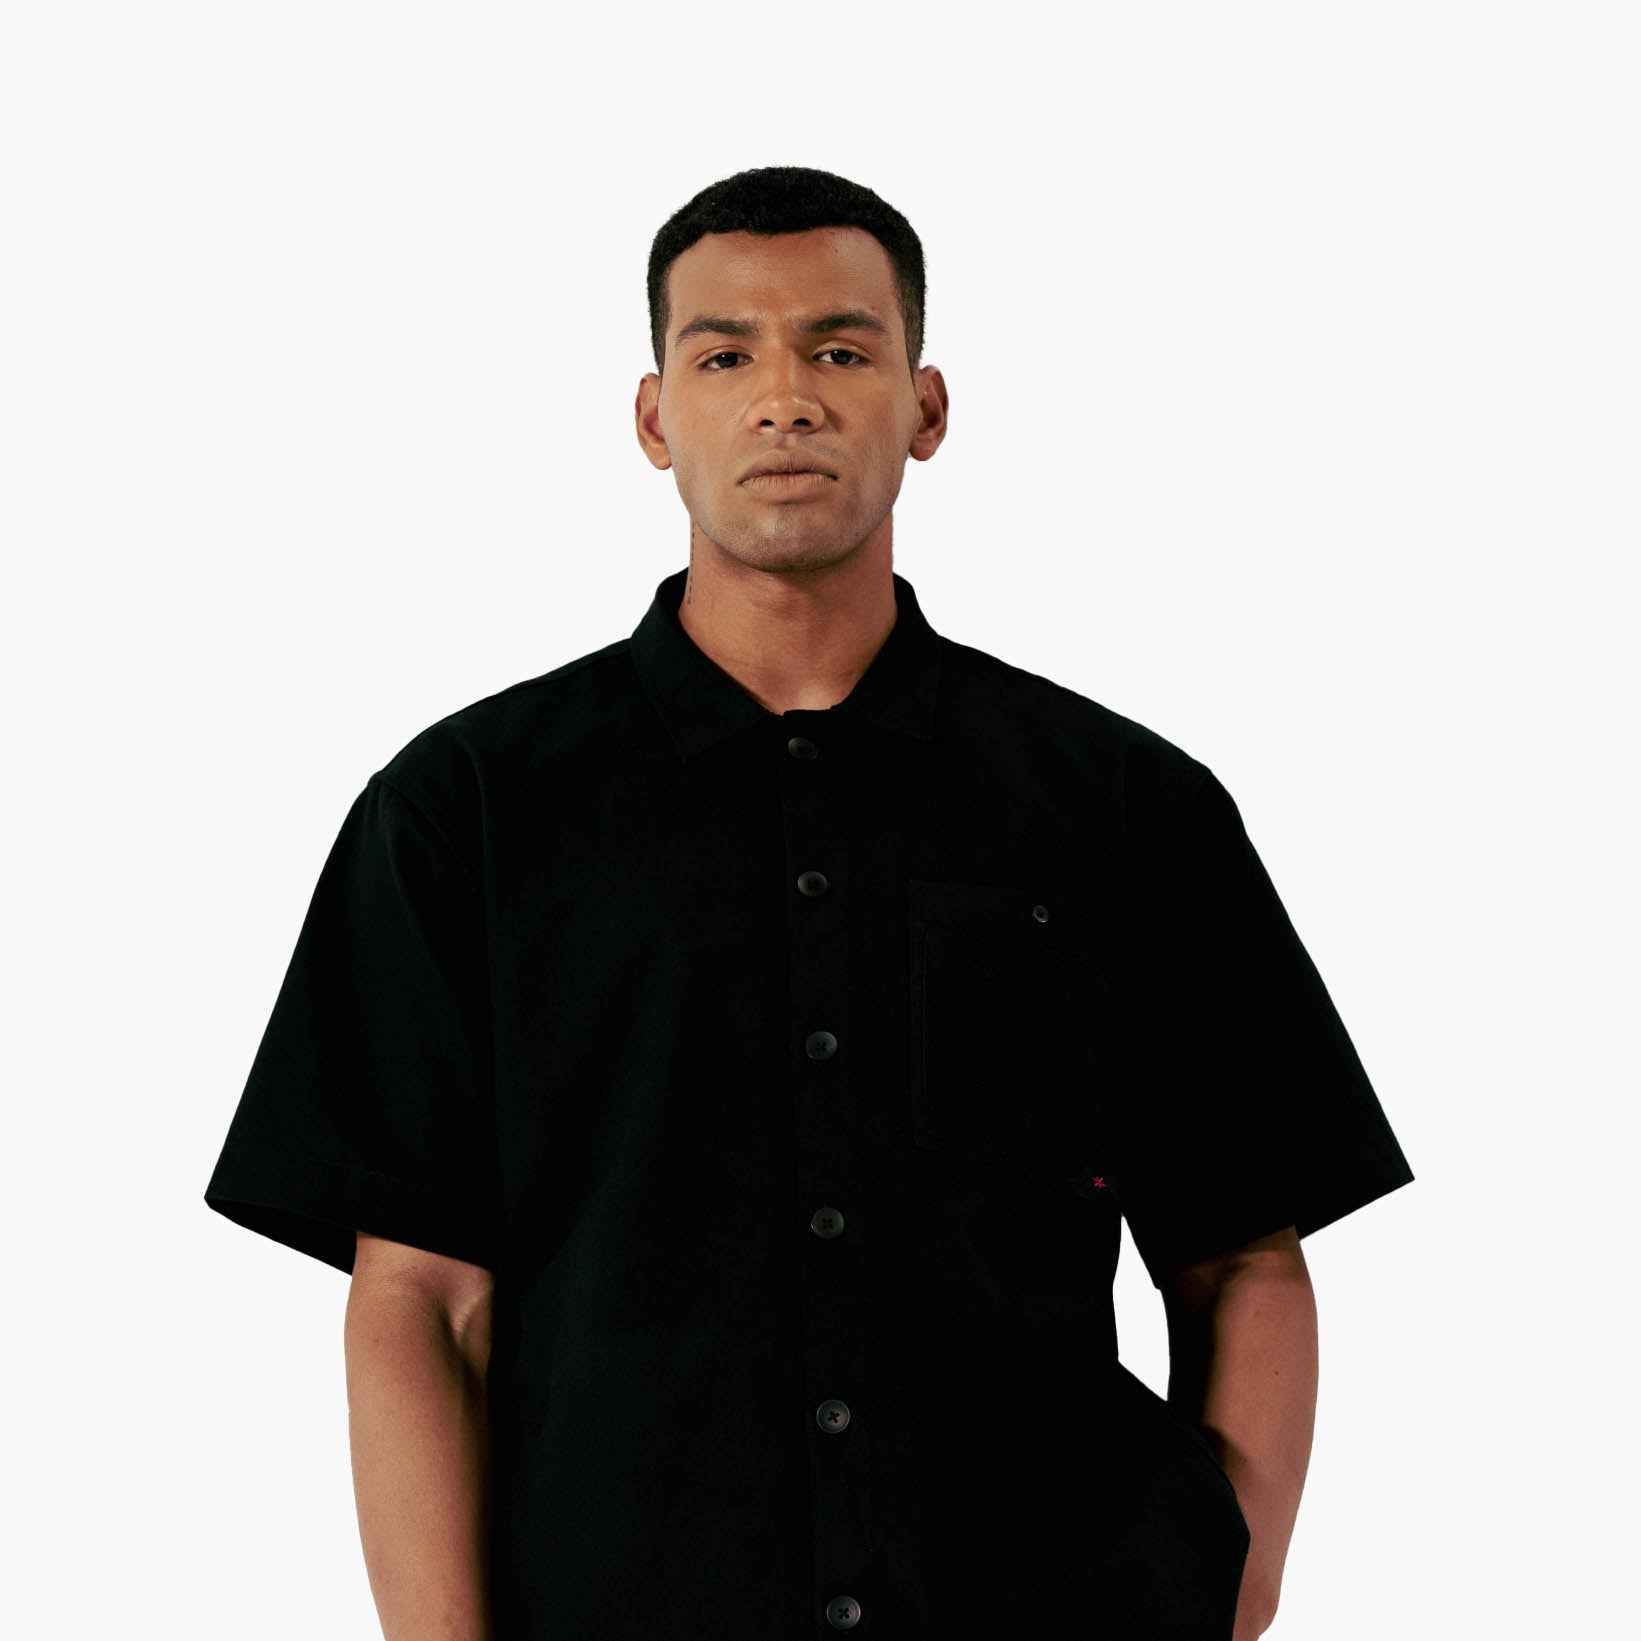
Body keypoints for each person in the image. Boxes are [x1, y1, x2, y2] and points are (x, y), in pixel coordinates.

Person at [203, 164, 1415, 1641]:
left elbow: (1241, 1257)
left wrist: (1228, 1590)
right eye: (725, 357)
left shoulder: (1123, 806)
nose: (785, 399)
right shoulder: (465, 812)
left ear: (926, 406)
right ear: (654, 418)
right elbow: (420, 1301)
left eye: (840, 350)